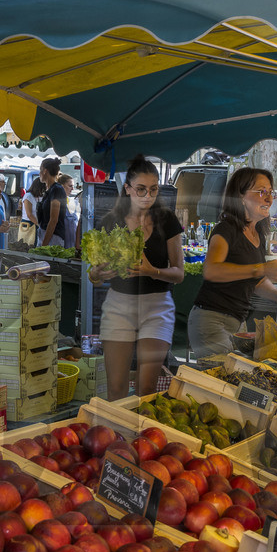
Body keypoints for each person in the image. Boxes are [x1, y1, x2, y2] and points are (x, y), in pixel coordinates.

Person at [89, 155, 185, 396]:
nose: (147, 196)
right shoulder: (110, 222)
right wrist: (97, 273)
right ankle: (118, 434)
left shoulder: (167, 220)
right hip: (119, 305)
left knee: (147, 388)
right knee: (116, 388)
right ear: (128, 189)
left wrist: (152, 271)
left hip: (157, 307)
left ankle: (144, 432)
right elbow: (94, 276)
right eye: (141, 189)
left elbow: (179, 273)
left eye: (153, 190)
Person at [188, 168, 277, 359]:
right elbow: (211, 270)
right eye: (261, 192)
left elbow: (256, 282)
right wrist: (261, 268)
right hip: (211, 319)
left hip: (237, 322)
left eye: (270, 192)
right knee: (222, 381)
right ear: (240, 197)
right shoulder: (225, 229)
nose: (269, 198)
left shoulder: (258, 235)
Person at [36, 158, 69, 247]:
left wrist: (44, 244)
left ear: (45, 171)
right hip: (44, 234)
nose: (39, 173)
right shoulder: (49, 190)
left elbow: (53, 220)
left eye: (40, 170)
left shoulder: (57, 189)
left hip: (53, 238)